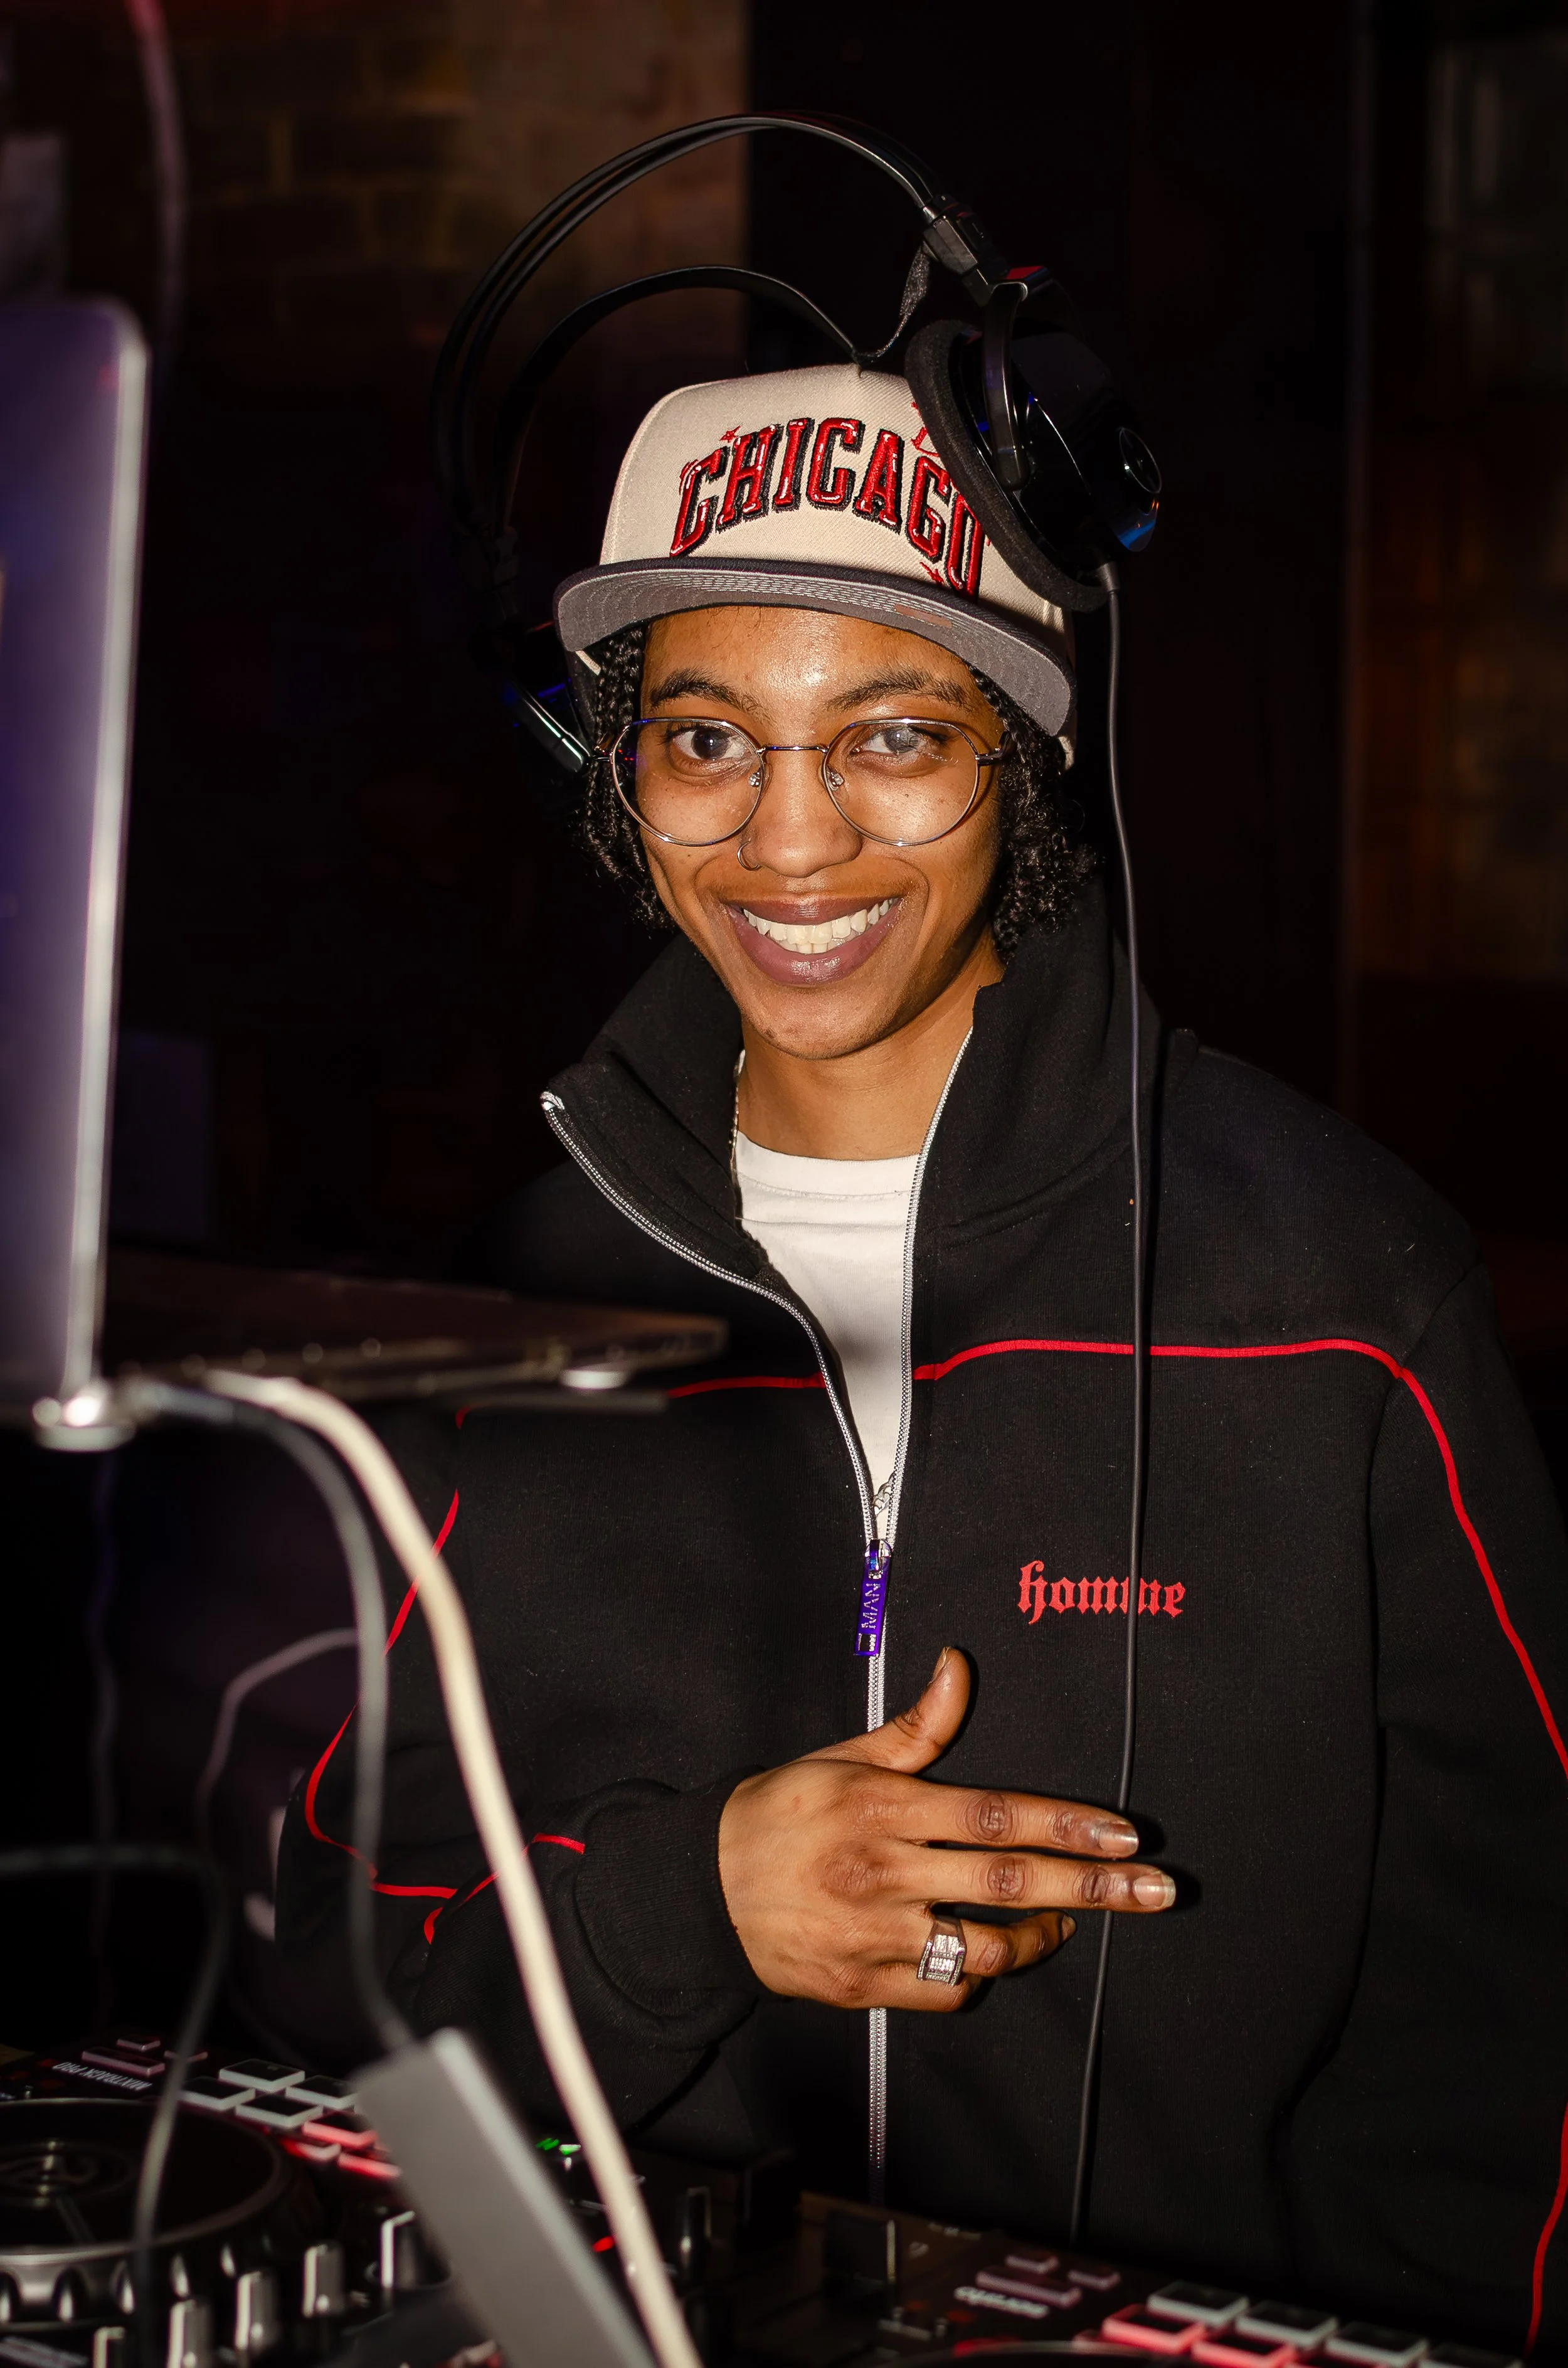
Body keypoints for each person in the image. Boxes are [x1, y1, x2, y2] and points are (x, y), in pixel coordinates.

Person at [278, 361, 1568, 2345]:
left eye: (891, 735)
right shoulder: (511, 1306)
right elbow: (340, 1991)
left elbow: (1505, 2029)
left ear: (1026, 762)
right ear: (614, 768)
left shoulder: (1334, 1292)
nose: (787, 839)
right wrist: (693, 1903)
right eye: (705, 738)